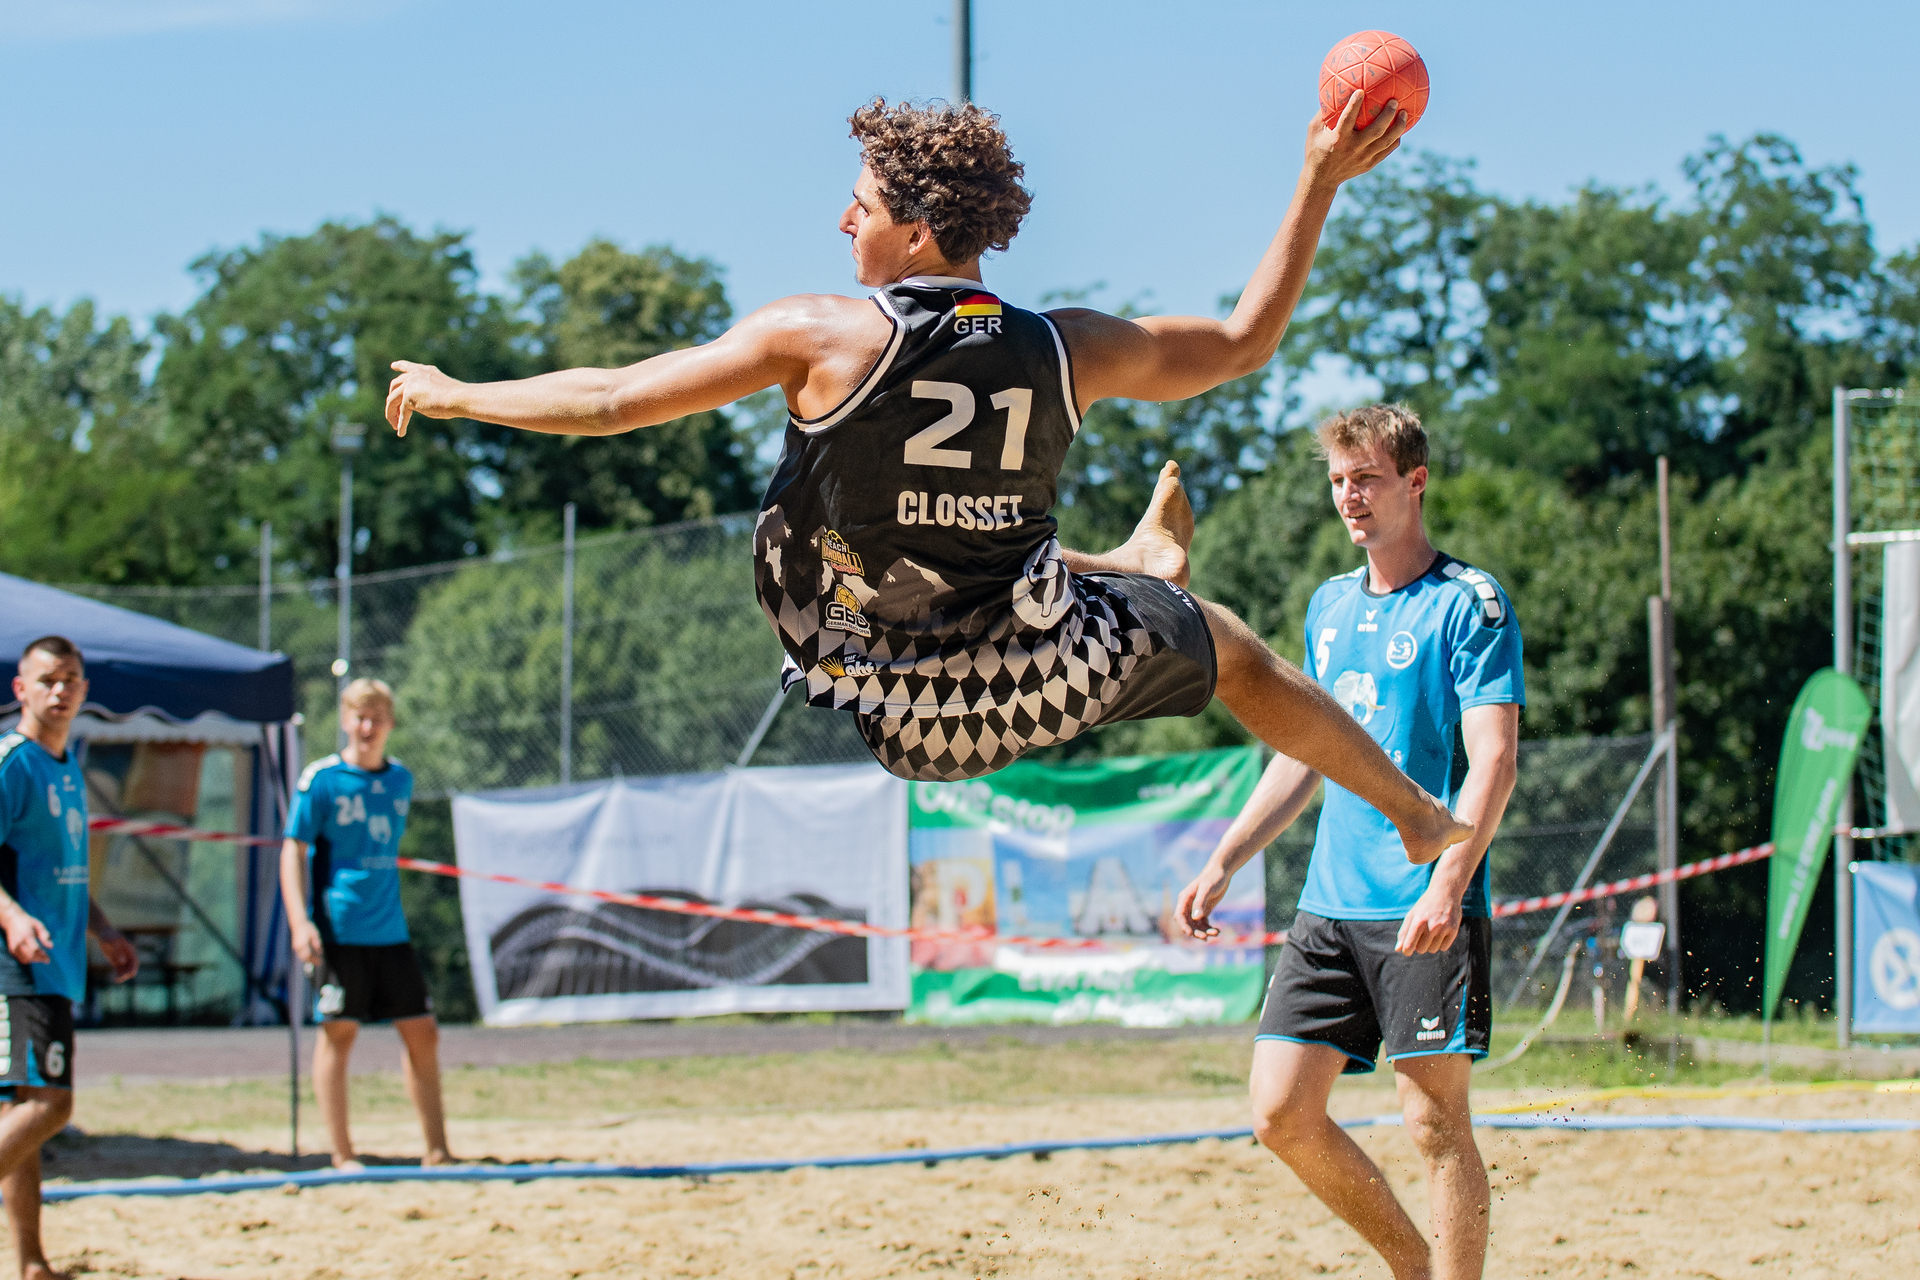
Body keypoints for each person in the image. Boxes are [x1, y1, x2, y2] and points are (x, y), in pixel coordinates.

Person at [383, 93, 1473, 865]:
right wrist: (1317, 180)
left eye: (859, 204)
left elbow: (615, 399)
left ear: (914, 230)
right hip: (1019, 679)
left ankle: (1127, 566)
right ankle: (1418, 815)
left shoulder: (820, 333)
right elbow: (1242, 343)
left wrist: (459, 392)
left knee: (860, 531)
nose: (843, 219)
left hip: (867, 667)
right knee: (1227, 646)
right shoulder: (1065, 346)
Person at [1176, 405, 1523, 1280]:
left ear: (1416, 481)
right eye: (1338, 480)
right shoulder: (1329, 605)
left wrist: (1448, 885)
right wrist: (1226, 856)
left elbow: (1494, 761)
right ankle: (1415, 1266)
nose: (1348, 496)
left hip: (1423, 902)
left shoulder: (1469, 604)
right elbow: (1304, 751)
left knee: (1435, 1124)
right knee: (1279, 1112)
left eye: (1366, 478)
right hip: (1330, 903)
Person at [0, 637, 139, 1280]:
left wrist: (103, 930)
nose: (60, 690)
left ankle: (31, 1262)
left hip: (55, 959)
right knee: (52, 1106)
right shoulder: (12, 762)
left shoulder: (66, 768)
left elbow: (66, 872)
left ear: (84, 690)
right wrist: (12, 917)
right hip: (16, 963)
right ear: (20, 689)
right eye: (48, 679)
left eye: (71, 679)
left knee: (22, 1114)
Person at [279, 679, 452, 1169]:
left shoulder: (400, 781)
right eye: (359, 716)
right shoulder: (322, 779)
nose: (367, 726)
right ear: (344, 720)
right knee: (339, 1033)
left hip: (390, 930)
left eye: (376, 717)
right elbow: (293, 849)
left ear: (390, 723)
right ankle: (342, 1153)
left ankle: (438, 1149)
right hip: (338, 928)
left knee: (422, 1031)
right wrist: (299, 922)